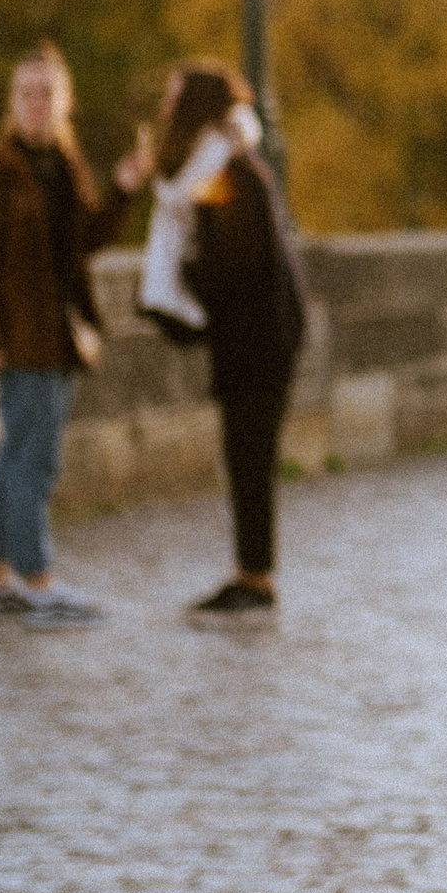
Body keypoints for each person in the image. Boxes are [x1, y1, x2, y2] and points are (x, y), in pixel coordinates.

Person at [0, 43, 146, 629]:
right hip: (21, 338)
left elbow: (84, 240)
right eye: (26, 93)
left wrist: (124, 190)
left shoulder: (62, 161)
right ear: (12, 103)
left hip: (59, 332)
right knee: (36, 459)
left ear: (65, 101)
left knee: (15, 455)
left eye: (47, 93)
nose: (37, 104)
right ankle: (38, 581)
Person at [138, 64, 306, 630]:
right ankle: (249, 573)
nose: (164, 110)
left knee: (250, 459)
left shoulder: (229, 172)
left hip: (261, 341)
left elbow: (237, 263)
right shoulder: (216, 170)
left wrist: (184, 270)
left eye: (171, 99)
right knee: (244, 459)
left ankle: (255, 580)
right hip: (251, 339)